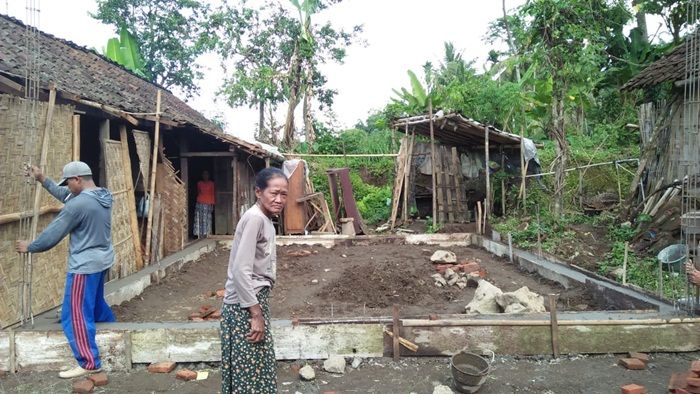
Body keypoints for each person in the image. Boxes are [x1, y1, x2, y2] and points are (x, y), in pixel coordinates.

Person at [15, 161, 115, 379]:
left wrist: (30, 246)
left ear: (78, 179)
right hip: (102, 260)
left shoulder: (77, 206)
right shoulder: (103, 195)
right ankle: (115, 333)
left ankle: (89, 362)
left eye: (68, 182)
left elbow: (52, 235)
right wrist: (42, 179)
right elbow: (67, 195)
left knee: (75, 314)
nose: (67, 186)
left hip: (83, 267)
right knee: (95, 305)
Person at [220, 167, 288, 394]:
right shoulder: (255, 219)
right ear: (258, 192)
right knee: (248, 371)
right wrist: (256, 314)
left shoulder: (265, 218)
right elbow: (240, 270)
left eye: (284, 194)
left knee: (256, 366)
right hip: (245, 306)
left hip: (252, 301)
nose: (279, 199)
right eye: (274, 193)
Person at [194, 170, 216, 238]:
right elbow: (198, 192)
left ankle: (207, 234)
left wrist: (213, 203)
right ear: (202, 176)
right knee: (199, 218)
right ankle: (199, 234)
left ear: (209, 176)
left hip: (208, 203)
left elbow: (213, 193)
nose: (205, 176)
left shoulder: (211, 183)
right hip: (200, 203)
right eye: (204, 174)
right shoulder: (199, 183)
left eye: (207, 174)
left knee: (207, 219)